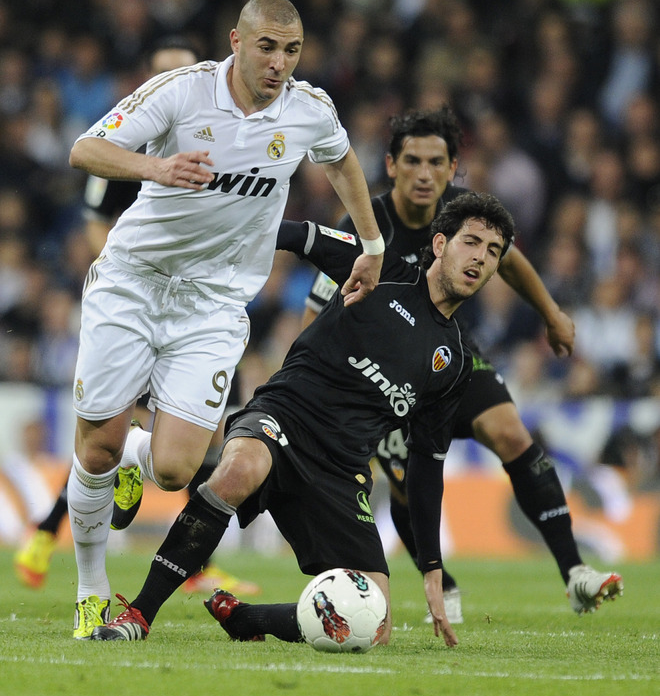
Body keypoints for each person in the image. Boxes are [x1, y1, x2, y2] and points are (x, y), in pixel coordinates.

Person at [65, 0, 384, 640]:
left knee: (179, 468)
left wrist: (372, 243)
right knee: (94, 445)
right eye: (267, 47)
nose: (279, 62)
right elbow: (84, 150)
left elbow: (343, 160)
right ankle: (91, 586)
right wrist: (156, 165)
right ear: (237, 42)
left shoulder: (307, 110)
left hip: (212, 304)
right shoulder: (181, 92)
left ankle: (138, 455)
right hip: (133, 283)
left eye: (291, 50)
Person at [90, 191, 516, 647]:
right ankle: (138, 614)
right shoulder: (382, 269)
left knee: (376, 626)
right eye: (471, 242)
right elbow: (295, 234)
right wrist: (211, 247)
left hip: (341, 469)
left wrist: (432, 567)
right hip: (284, 416)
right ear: (439, 244)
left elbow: (427, 465)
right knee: (240, 469)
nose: (480, 258)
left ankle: (248, 619)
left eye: (493, 252)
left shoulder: (452, 364)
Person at [302, 107, 623, 620]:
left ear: (453, 168)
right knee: (409, 487)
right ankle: (442, 585)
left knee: (514, 435)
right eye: (413, 161)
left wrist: (551, 313)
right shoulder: (366, 224)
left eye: (437, 161)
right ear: (392, 164)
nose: (424, 173)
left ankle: (575, 573)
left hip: (452, 359)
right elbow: (318, 307)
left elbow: (511, 259)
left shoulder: (464, 215)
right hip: (383, 380)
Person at [13, 37, 259, 597]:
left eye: (184, 70)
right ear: (150, 81)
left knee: (193, 446)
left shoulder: (224, 139)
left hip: (200, 308)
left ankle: (61, 533)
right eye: (163, 72)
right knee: (103, 433)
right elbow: (99, 227)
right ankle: (65, 541)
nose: (176, 80)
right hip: (135, 304)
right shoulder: (130, 146)